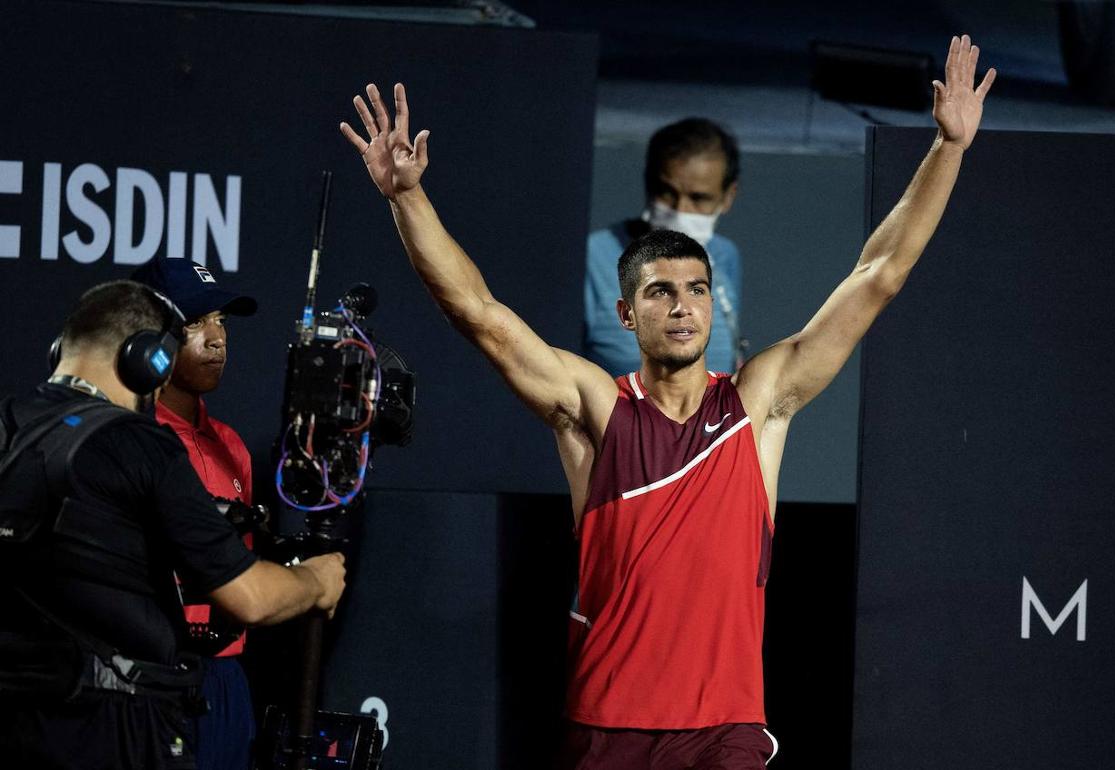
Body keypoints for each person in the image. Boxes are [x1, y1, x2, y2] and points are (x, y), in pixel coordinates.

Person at [341, 34, 994, 769]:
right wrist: (407, 197)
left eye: (696, 291)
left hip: (726, 730)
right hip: (607, 729)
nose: (682, 308)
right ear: (627, 315)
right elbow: (479, 314)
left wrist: (948, 148)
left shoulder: (758, 405)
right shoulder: (595, 409)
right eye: (660, 293)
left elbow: (878, 274)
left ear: (715, 305)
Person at [0, 280, 347, 769]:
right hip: (115, 728)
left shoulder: (7, 424)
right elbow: (249, 597)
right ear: (151, 359)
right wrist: (316, 582)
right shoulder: (143, 446)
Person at [132, 257, 260, 770]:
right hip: (151, 677)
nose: (217, 339)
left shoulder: (233, 447)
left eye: (221, 322)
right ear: (149, 336)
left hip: (227, 679)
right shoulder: (127, 442)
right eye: (195, 323)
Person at [585, 117, 743, 375]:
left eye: (698, 198)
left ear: (728, 197)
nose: (680, 211)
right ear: (648, 184)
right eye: (666, 192)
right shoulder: (594, 258)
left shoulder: (725, 257)